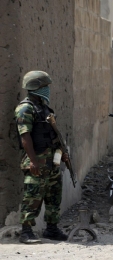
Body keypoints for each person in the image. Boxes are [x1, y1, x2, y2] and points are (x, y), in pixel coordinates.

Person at [14, 71, 70, 244]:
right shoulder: (25, 108)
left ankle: (51, 229)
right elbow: (25, 137)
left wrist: (62, 153)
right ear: (36, 87)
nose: (47, 90)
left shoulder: (44, 107)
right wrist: (32, 160)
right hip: (36, 160)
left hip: (50, 160)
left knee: (54, 195)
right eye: (45, 86)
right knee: (33, 196)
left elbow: (52, 134)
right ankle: (26, 231)